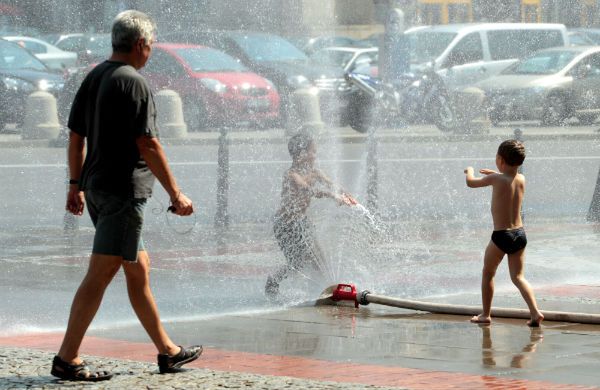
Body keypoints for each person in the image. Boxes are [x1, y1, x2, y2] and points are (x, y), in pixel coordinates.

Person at [52, 10, 201, 381]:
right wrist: (176, 194)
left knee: (138, 268)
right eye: (150, 46)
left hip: (98, 188)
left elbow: (75, 137)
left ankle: (168, 351)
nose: (149, 53)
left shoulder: (95, 75)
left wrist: (75, 185)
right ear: (139, 44)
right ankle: (67, 358)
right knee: (100, 274)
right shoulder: (134, 82)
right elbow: (148, 143)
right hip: (122, 193)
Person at [265, 132, 357, 297]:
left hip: (302, 221)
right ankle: (274, 280)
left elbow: (332, 184)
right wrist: (332, 196)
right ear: (301, 153)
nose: (315, 155)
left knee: (320, 260)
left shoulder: (316, 172)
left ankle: (319, 291)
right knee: (297, 264)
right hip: (286, 225)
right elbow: (307, 189)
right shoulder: (291, 175)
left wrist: (346, 195)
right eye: (313, 151)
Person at [464, 139, 544, 327]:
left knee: (488, 273)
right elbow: (506, 180)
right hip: (519, 234)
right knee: (518, 277)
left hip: (501, 236)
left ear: (500, 160)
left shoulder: (495, 179)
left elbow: (471, 183)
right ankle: (535, 312)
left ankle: (485, 314)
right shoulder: (520, 179)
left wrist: (469, 170)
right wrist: (496, 175)